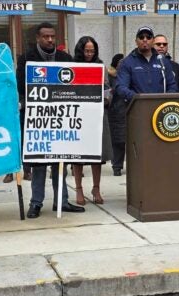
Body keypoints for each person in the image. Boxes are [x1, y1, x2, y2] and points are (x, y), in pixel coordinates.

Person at [16, 22, 85, 218]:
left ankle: (61, 201)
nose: (50, 40)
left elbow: (73, 86)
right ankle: (36, 203)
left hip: (60, 117)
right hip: (36, 118)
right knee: (39, 163)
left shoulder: (65, 58)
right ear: (38, 38)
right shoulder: (26, 59)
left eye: (53, 37)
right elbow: (21, 87)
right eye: (46, 37)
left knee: (60, 162)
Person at [69, 36, 112, 205]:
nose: (89, 54)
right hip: (78, 115)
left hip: (97, 113)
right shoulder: (73, 66)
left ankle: (96, 188)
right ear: (80, 50)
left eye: (92, 51)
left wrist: (104, 93)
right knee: (78, 154)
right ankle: (78, 189)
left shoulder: (101, 66)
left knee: (97, 154)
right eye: (86, 50)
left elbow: (108, 91)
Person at [115, 26, 177, 101]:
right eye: (141, 37)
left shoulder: (162, 61)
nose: (145, 39)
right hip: (136, 107)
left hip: (160, 107)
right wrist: (137, 98)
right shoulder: (127, 62)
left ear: (153, 41)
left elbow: (172, 86)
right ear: (136, 41)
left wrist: (165, 100)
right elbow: (121, 87)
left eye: (148, 37)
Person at [108, 53, 126, 176]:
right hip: (115, 112)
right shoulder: (110, 77)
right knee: (118, 141)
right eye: (120, 62)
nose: (122, 65)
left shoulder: (127, 75)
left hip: (128, 111)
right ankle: (117, 166)